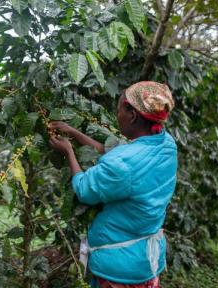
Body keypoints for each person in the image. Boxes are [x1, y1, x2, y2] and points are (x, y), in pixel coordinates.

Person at [48, 81, 177, 288]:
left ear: (133, 116)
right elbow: (120, 155)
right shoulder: (166, 143)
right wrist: (74, 133)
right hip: (147, 258)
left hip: (119, 268)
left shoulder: (122, 165)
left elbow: (84, 189)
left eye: (119, 110)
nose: (117, 116)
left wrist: (68, 152)